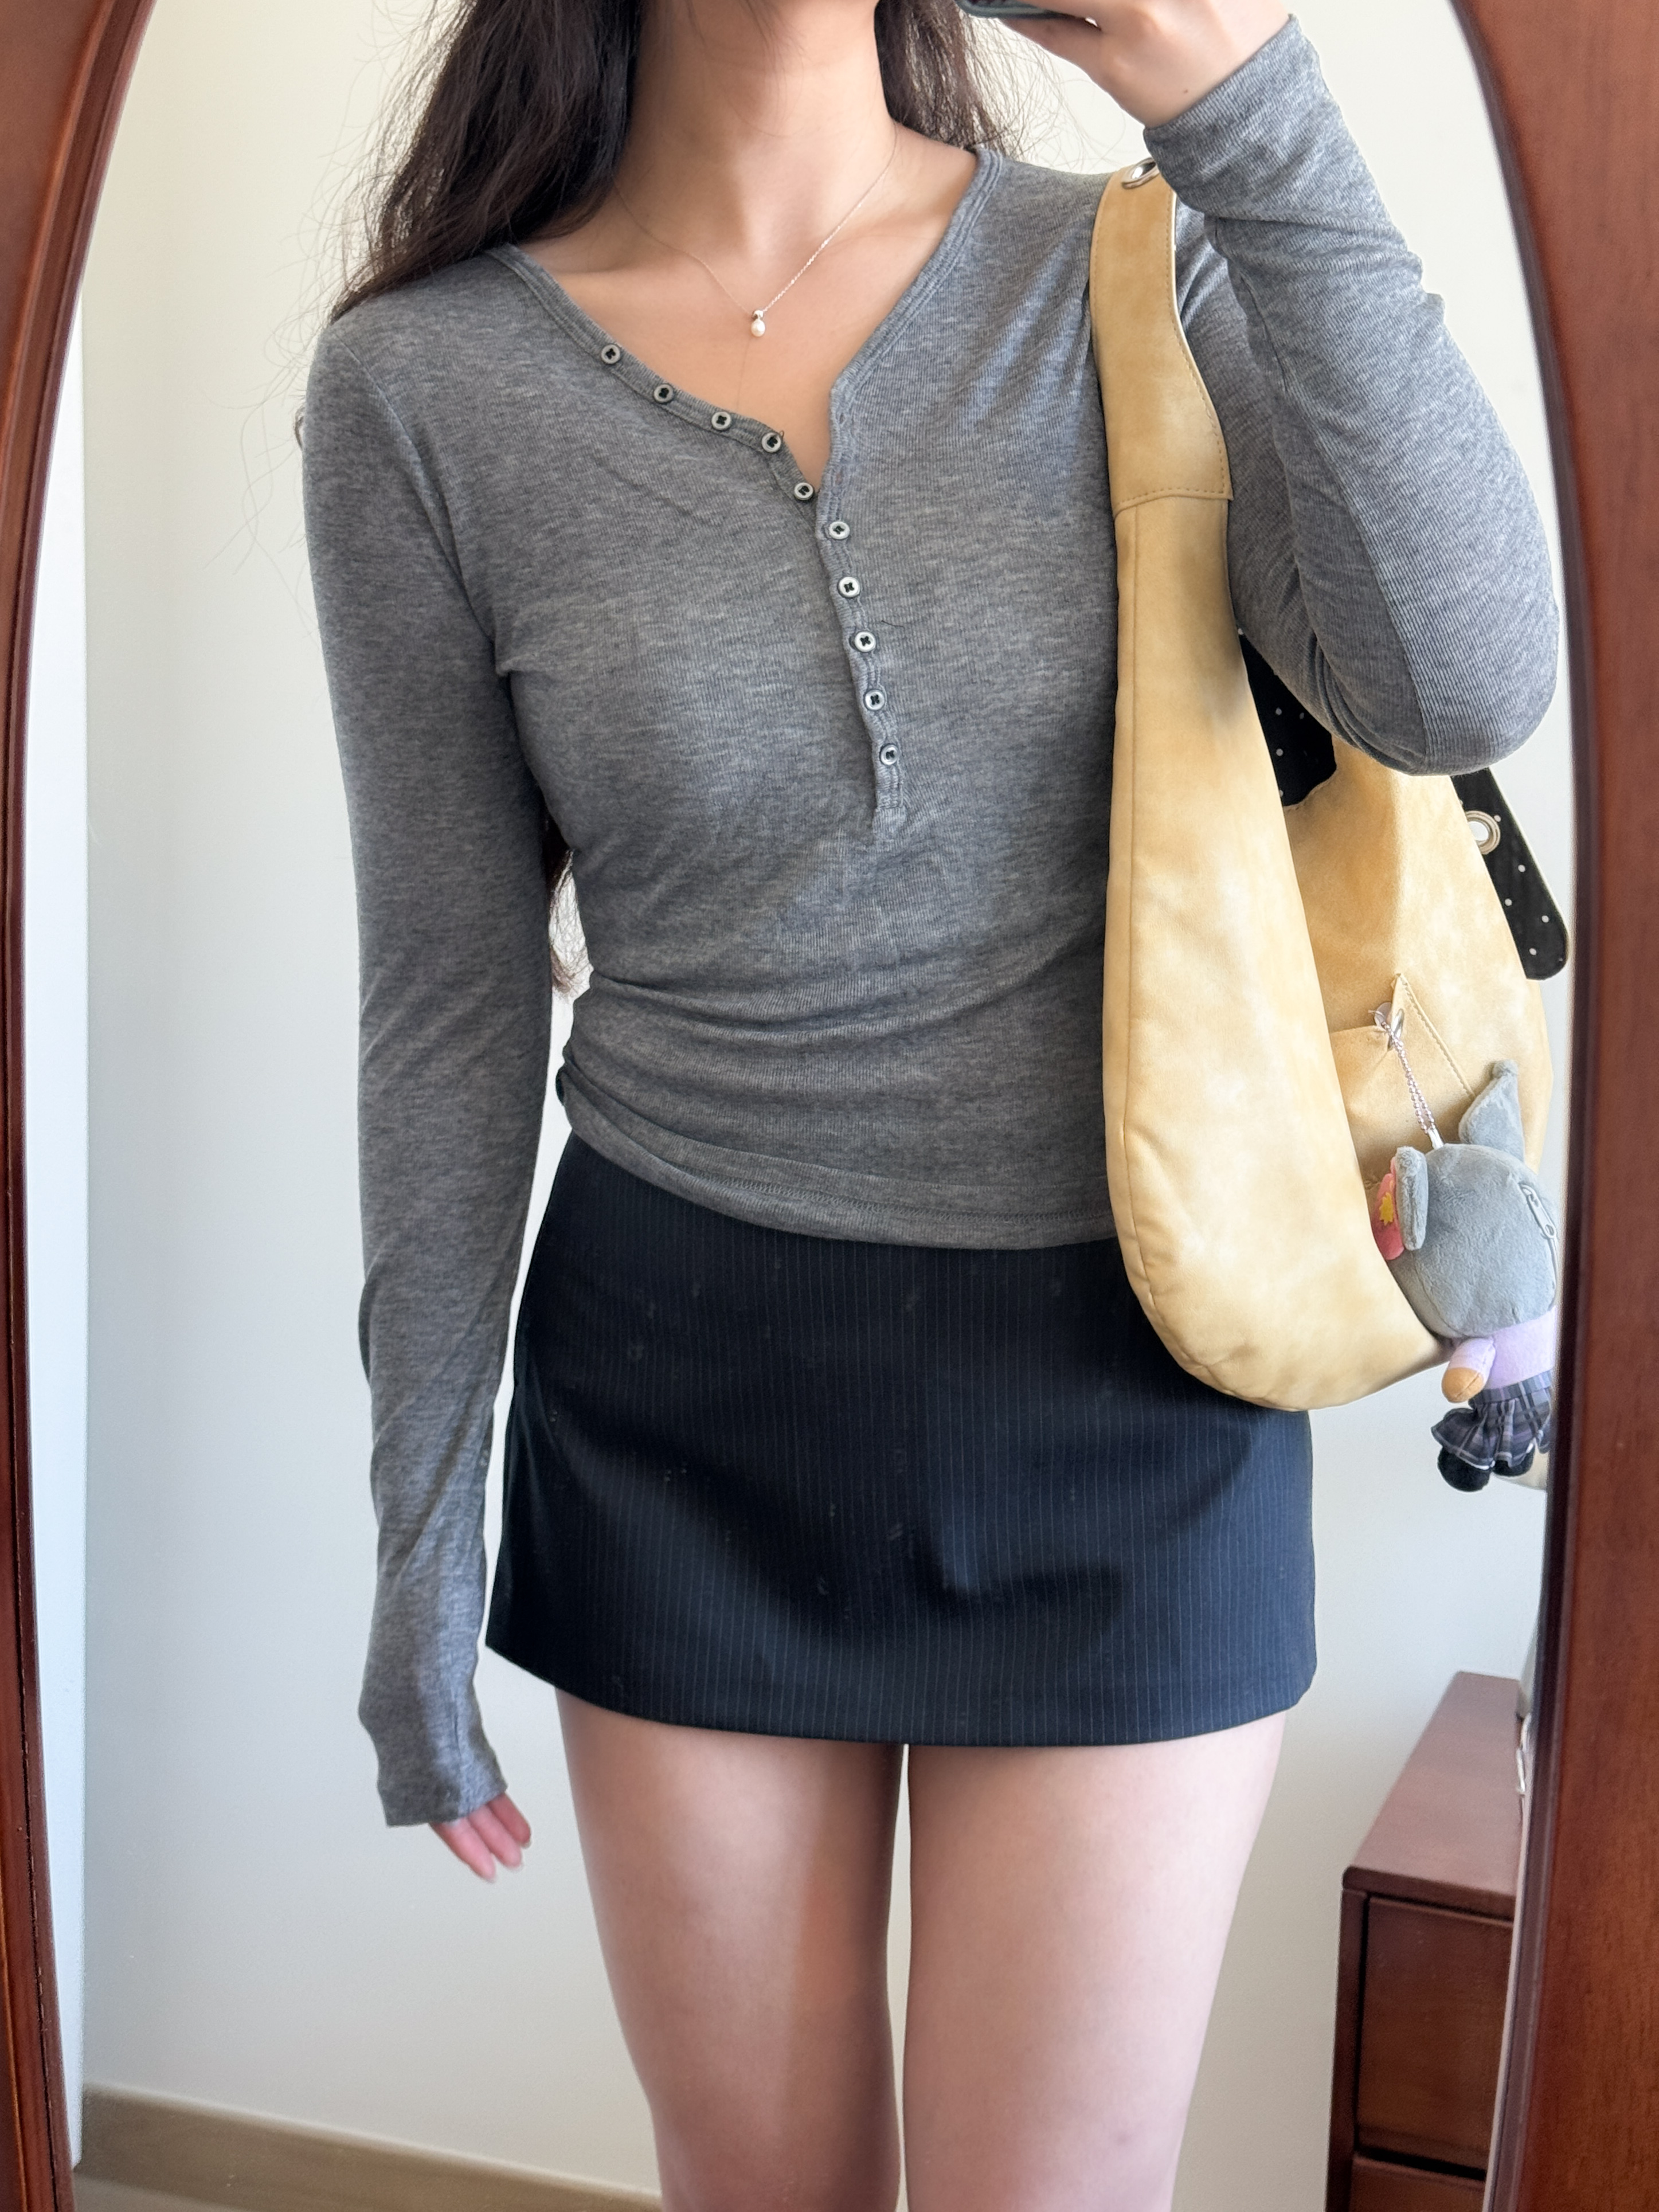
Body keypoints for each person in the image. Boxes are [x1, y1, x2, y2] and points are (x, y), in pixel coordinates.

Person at [302, 0, 1556, 2198]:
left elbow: (1467, 679)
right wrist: (421, 1531)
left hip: (1136, 1389)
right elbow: (447, 1002)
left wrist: (1248, 107)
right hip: (678, 1402)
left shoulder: (1144, 271)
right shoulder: (425, 389)